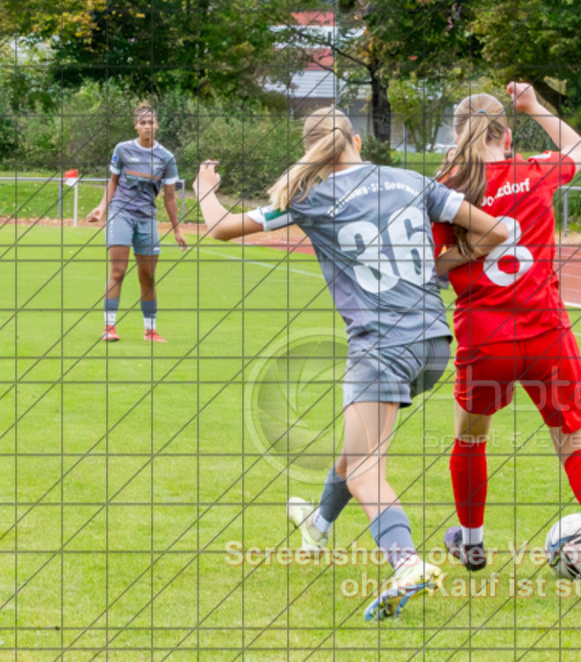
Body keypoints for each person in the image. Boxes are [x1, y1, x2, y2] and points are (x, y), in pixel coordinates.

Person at [191, 107, 508, 621]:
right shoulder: (409, 179)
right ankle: (316, 525)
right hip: (433, 344)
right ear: (357, 141)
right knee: (355, 449)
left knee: (365, 470)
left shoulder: (310, 195)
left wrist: (206, 187)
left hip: (381, 346)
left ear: (312, 149)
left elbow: (221, 228)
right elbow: (496, 231)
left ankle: (407, 563)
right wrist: (437, 266)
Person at [433, 82, 581, 597]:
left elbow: (431, 262)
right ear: (504, 133)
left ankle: (471, 540)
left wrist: (470, 250)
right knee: (573, 443)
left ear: (457, 133)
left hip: (485, 335)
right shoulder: (533, 170)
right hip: (545, 329)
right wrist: (535, 106)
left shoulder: (446, 187)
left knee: (471, 437)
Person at [87, 102, 187, 342]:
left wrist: (176, 230)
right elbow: (113, 181)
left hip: (147, 219)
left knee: (148, 277)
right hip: (121, 214)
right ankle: (109, 327)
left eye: (151, 122)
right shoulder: (122, 150)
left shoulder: (166, 157)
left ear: (157, 125)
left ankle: (150, 330)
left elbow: (170, 198)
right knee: (118, 271)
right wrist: (102, 208)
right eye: (142, 123)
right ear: (136, 126)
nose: (147, 126)